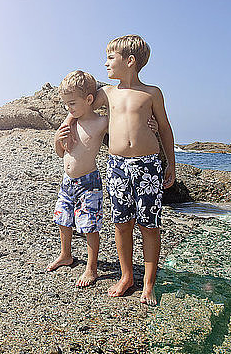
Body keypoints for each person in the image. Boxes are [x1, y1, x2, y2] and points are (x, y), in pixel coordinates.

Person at [46, 69, 160, 288]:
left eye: (72, 104)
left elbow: (127, 124)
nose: (68, 110)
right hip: (67, 181)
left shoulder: (102, 122)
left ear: (89, 100)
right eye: (66, 105)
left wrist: (150, 125)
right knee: (63, 219)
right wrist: (57, 139)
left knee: (89, 225)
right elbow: (62, 153)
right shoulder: (72, 124)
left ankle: (91, 267)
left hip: (89, 182)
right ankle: (65, 254)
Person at [92, 34, 176, 305]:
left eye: (110, 57)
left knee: (149, 225)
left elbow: (164, 127)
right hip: (116, 165)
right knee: (121, 222)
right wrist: (67, 125)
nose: (106, 63)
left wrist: (171, 162)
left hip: (148, 166)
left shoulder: (152, 93)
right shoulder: (107, 93)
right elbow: (83, 108)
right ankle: (126, 275)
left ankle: (149, 284)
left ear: (130, 61)